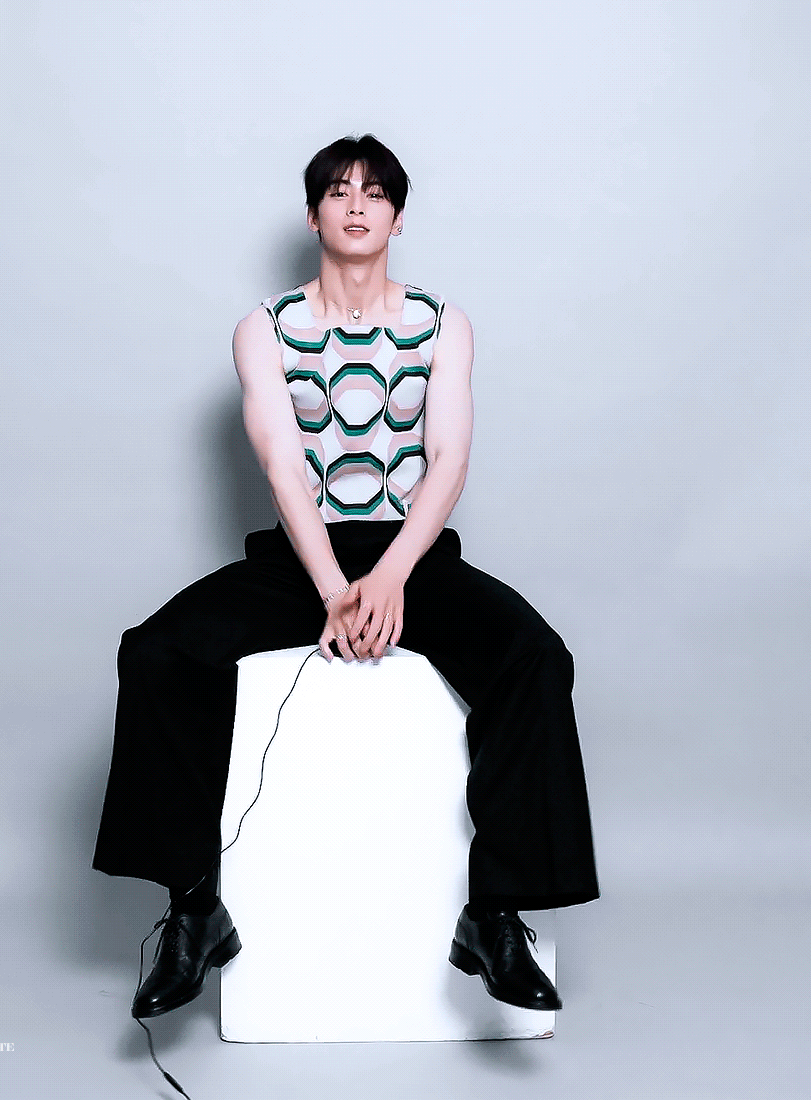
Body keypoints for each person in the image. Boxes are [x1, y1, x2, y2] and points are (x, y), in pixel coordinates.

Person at [92, 133, 599, 1025]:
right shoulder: (264, 328)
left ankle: (494, 916)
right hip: (302, 555)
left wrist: (393, 574)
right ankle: (195, 909)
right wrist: (333, 589)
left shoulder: (443, 323)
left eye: (374, 192)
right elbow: (283, 466)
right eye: (337, 190)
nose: (356, 203)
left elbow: (448, 459)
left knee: (535, 657)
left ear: (398, 219)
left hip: (413, 551)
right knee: (159, 652)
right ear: (313, 214)